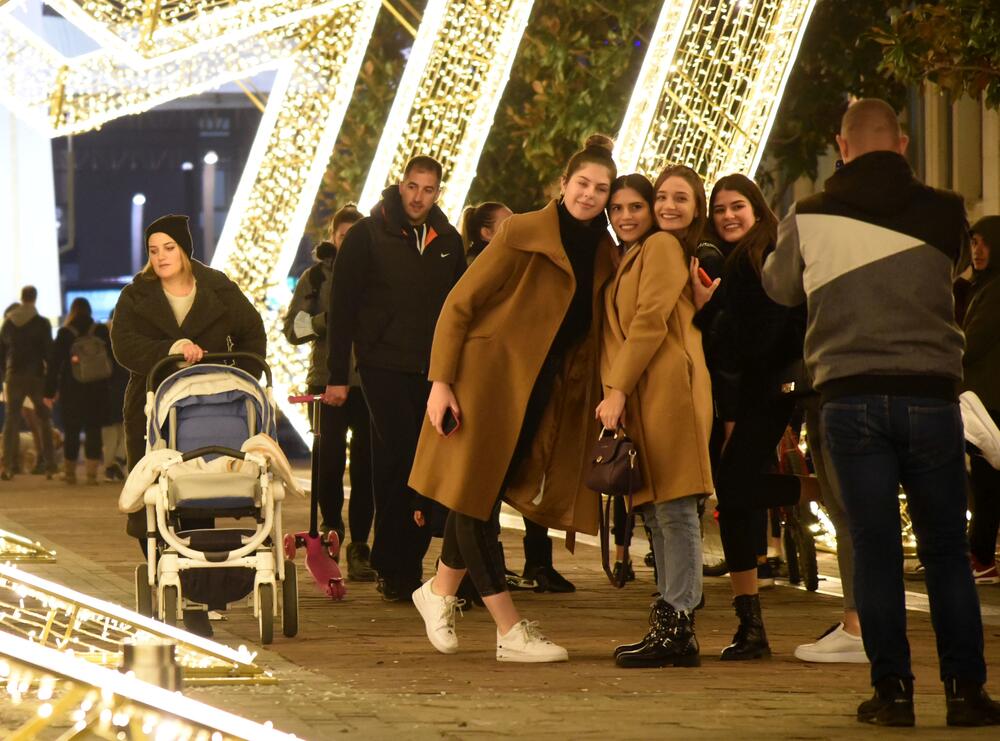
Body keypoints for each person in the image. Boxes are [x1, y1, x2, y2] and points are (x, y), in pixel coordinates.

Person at [762, 98, 999, 726]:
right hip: (930, 395)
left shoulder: (808, 214)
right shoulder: (946, 212)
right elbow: (946, 271)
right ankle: (965, 692)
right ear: (902, 144)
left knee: (873, 548)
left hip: (849, 396)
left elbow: (780, 288)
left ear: (841, 147)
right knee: (947, 548)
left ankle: (892, 692)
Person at [407, 134, 617, 662]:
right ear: (564, 184)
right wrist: (441, 381)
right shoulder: (522, 231)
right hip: (488, 378)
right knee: (475, 495)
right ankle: (509, 629)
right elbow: (459, 305)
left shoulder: (606, 251)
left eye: (602, 189)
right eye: (583, 184)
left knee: (483, 492)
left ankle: (439, 591)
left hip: (543, 391)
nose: (590, 195)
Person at [111, 214, 266, 637]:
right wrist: (170, 348)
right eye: (154, 250)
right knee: (153, 494)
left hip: (211, 403)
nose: (161, 257)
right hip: (151, 404)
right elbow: (123, 344)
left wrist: (241, 376)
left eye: (168, 248)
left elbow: (253, 332)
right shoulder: (137, 295)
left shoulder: (218, 287)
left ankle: (206, 588)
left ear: (185, 250)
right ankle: (164, 573)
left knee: (203, 487)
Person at [325, 156, 466, 601]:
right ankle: (395, 565)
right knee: (405, 456)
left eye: (428, 189)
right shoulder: (368, 235)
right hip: (381, 365)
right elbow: (342, 310)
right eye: (412, 186)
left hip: (432, 371)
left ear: (437, 193)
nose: (418, 196)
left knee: (409, 464)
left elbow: (459, 310)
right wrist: (337, 376)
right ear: (400, 185)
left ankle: (402, 564)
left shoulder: (448, 241)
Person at [696, 173, 816, 661]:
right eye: (720, 208)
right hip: (757, 393)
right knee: (736, 496)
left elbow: (756, 338)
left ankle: (818, 491)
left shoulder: (762, 255)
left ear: (757, 209)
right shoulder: (741, 258)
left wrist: (706, 311)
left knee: (736, 487)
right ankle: (750, 625)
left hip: (770, 391)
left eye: (737, 206)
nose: (728, 215)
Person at [598, 173, 713, 668]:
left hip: (668, 390)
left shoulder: (661, 246)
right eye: (617, 208)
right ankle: (670, 623)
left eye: (636, 206)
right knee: (655, 509)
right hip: (648, 391)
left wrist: (616, 389)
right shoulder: (634, 255)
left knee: (675, 506)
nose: (627, 216)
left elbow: (649, 320)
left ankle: (678, 622)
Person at [461, 201, 576, 593]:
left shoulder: (527, 260)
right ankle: (473, 577)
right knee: (483, 483)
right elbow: (461, 312)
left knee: (512, 472)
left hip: (529, 375)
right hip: (495, 380)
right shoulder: (489, 264)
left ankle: (524, 565)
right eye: (508, 224)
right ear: (487, 234)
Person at [284, 204, 375, 581]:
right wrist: (327, 321)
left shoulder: (379, 274)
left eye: (356, 236)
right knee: (328, 460)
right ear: (333, 238)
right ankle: (332, 529)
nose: (348, 242)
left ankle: (360, 548)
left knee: (368, 467)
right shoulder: (316, 277)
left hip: (370, 382)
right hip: (324, 381)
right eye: (343, 235)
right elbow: (293, 330)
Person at [962, 216, 1000, 584]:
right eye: (973, 242)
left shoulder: (995, 289)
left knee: (988, 483)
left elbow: (972, 343)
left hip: (990, 400)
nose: (977, 250)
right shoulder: (981, 287)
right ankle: (981, 554)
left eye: (984, 243)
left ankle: (982, 557)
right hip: (984, 398)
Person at [44, 297, 109, 485]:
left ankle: (70, 473)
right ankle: (91, 474)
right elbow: (111, 360)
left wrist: (49, 391)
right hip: (97, 387)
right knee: (94, 429)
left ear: (73, 311)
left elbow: (54, 364)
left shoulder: (65, 333)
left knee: (71, 430)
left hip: (72, 388)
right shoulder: (101, 330)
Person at [0, 286, 56, 480]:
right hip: (36, 377)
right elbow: (50, 353)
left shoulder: (8, 323)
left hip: (13, 376)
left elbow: (1, 353)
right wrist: (52, 383)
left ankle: (8, 466)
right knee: (44, 420)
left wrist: (3, 378)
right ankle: (50, 465)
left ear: (21, 298)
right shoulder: (42, 323)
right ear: (35, 298)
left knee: (11, 421)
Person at [101, 308, 129, 482]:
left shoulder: (101, 335)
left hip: (105, 387)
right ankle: (120, 459)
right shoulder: (127, 335)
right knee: (127, 427)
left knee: (110, 431)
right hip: (125, 385)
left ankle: (109, 465)